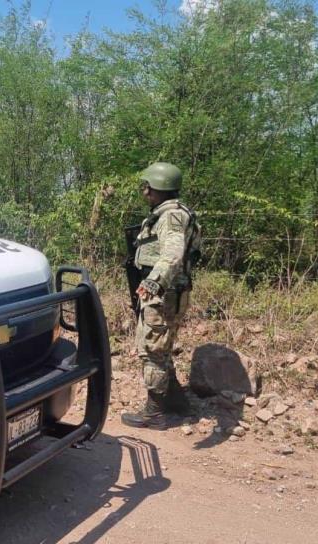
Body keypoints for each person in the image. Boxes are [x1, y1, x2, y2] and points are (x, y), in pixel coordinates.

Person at [122, 162, 201, 429]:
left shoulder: (170, 217)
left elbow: (173, 254)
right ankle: (177, 401)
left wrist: (154, 282)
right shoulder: (169, 212)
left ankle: (155, 412)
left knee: (152, 349)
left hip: (164, 294)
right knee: (162, 347)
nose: (143, 190)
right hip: (171, 292)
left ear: (155, 188)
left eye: (146, 185)